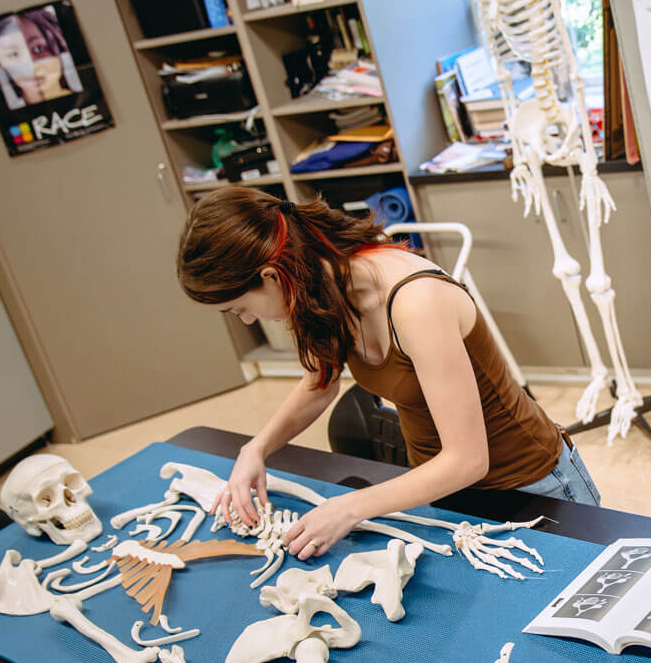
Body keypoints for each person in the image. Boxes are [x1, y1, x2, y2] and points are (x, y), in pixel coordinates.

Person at [176, 188, 600, 561]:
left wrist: (348, 508)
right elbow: (319, 385)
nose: (247, 320)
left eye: (238, 308)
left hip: (532, 486)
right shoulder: (318, 291)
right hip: (442, 488)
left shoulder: (416, 302)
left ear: (270, 276)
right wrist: (255, 450)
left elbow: (468, 459)